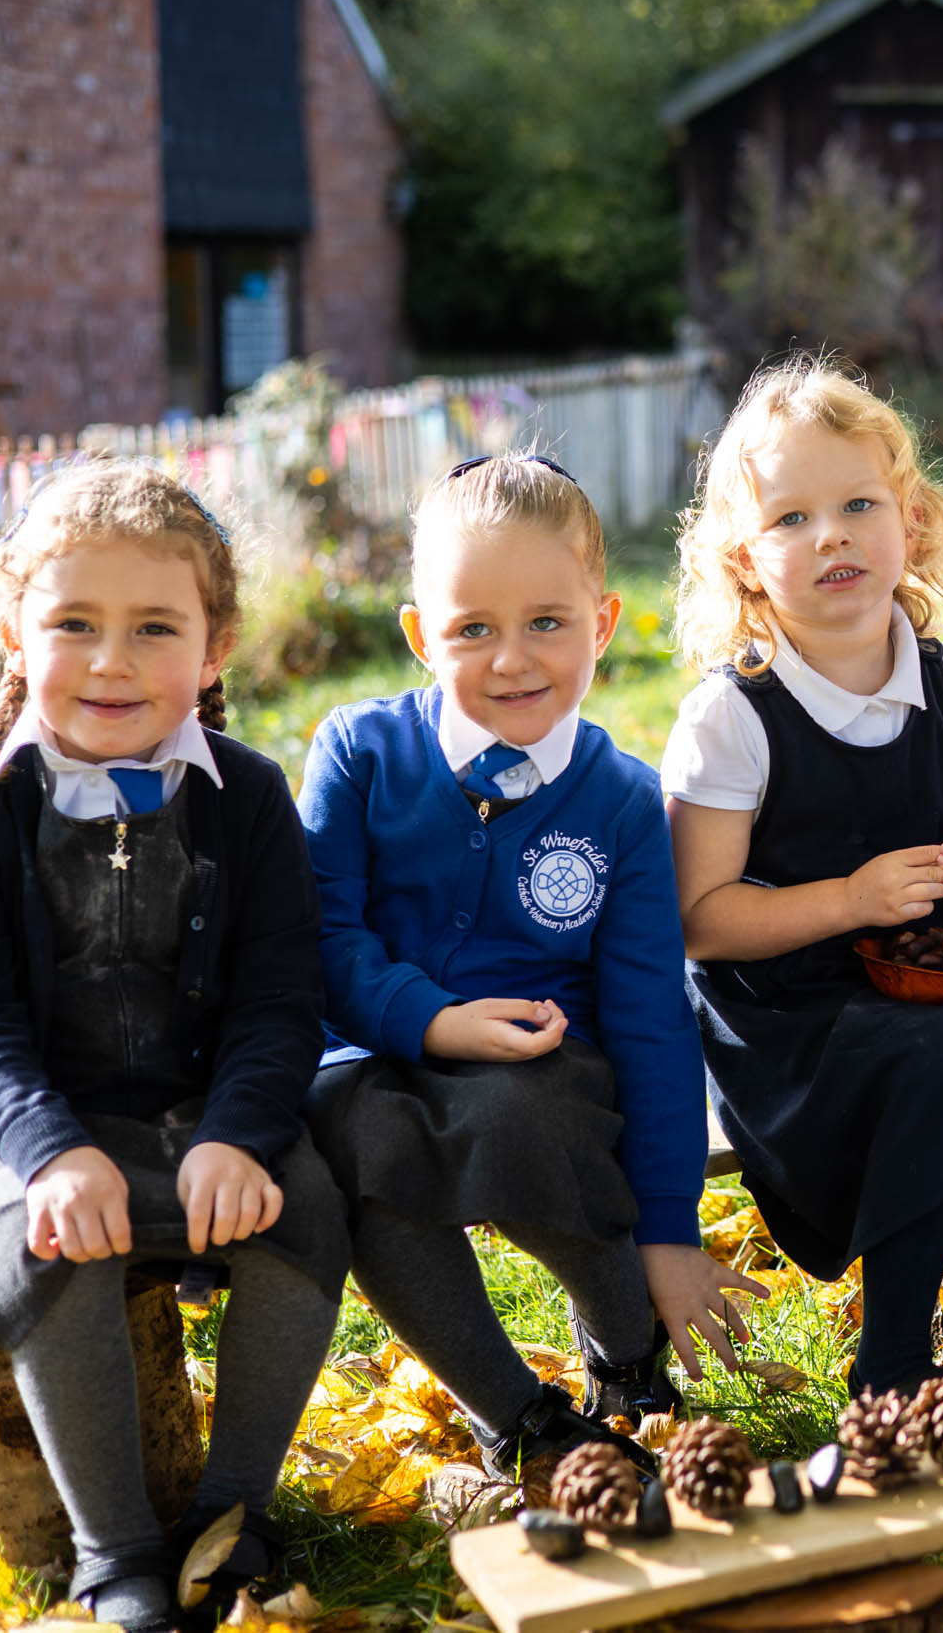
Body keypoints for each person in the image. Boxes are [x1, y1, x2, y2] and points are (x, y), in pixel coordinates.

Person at [0, 464, 342, 1631]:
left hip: (196, 1125)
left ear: (215, 646)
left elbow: (281, 1000)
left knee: (306, 1207)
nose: (111, 661)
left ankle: (233, 1516)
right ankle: (118, 1554)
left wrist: (239, 1136)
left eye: (155, 628)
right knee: (45, 1246)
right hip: (17, 1146)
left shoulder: (247, 797)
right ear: (13, 632)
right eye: (73, 625)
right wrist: (50, 1152)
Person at [663, 357, 943, 1398]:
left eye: (858, 506)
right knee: (934, 1068)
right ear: (744, 561)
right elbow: (700, 920)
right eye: (791, 519)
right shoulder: (733, 716)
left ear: (910, 523)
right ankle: (895, 1366)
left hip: (933, 979)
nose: (831, 535)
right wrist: (851, 900)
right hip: (788, 1016)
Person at [300, 456, 758, 1491]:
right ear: (421, 636)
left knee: (523, 1112)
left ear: (603, 623)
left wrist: (670, 1230)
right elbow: (321, 943)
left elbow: (650, 1020)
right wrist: (433, 1021)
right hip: (370, 1054)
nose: (512, 659)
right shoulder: (359, 753)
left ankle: (625, 1357)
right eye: (472, 629)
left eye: (547, 622)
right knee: (354, 1142)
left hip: (546, 1076)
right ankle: (519, 1418)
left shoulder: (622, 800)